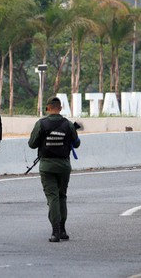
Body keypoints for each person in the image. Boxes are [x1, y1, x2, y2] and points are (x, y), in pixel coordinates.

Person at [28, 97, 80, 243]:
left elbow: (32, 144)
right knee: (62, 196)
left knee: (52, 197)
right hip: (64, 166)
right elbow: (76, 144)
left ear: (48, 108)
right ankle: (63, 229)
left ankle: (55, 231)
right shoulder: (68, 125)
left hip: (47, 166)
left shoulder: (41, 124)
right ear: (60, 108)